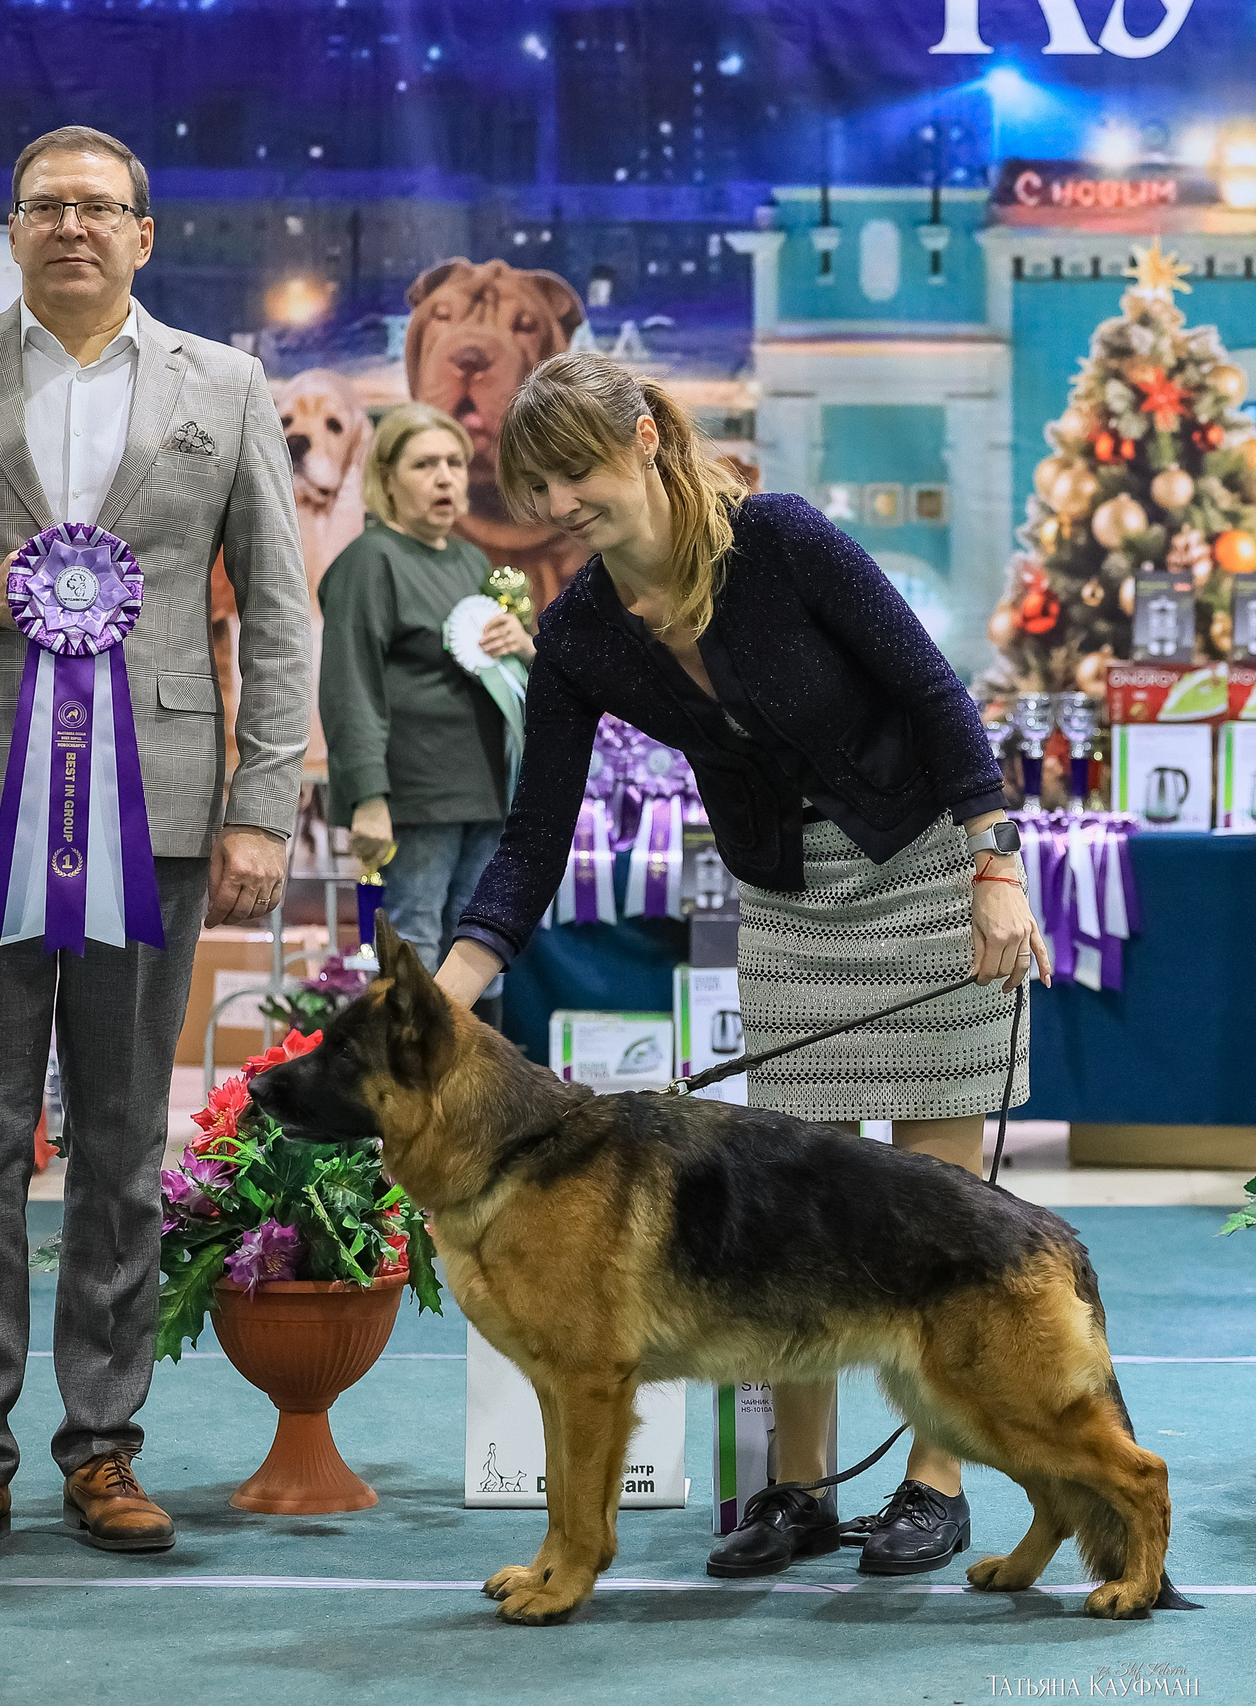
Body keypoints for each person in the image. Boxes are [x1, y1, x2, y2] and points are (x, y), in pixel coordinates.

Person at [437, 352, 1049, 1582]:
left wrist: (998, 864)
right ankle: (797, 1489)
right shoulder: (581, 635)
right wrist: (443, 992)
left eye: (579, 474)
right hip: (786, 900)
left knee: (930, 1199)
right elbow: (533, 839)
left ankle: (934, 1484)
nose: (560, 507)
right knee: (793, 1211)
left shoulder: (780, 540)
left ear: (651, 441)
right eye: (540, 485)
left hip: (926, 868)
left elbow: (934, 697)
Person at [0, 126, 308, 1564]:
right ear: (11, 232)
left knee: (121, 1143)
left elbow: (277, 609)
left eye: (101, 207)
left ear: (146, 235)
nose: (74, 226)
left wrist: (265, 803)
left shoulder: (228, 384)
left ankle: (105, 1448)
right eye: (46, 207)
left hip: (157, 804)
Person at [317, 402, 535, 1030]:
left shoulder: (471, 563)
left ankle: (477, 1099)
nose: (445, 478)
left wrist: (523, 646)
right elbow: (348, 686)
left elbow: (500, 676)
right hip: (414, 796)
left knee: (482, 946)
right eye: (424, 464)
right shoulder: (369, 561)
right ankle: (415, 1107)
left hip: (486, 792)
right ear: (386, 478)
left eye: (455, 463)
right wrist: (368, 797)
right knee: (416, 944)